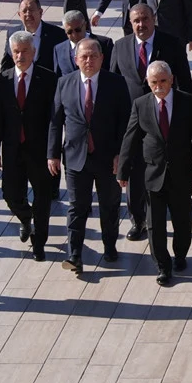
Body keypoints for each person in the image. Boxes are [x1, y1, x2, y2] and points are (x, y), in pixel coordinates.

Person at [48, 38, 132, 277]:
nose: (88, 60)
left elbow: (125, 123)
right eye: (83, 56)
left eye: (93, 56)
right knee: (77, 207)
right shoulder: (64, 83)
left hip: (107, 158)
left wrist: (120, 155)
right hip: (76, 157)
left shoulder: (116, 84)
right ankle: (74, 254)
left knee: (109, 205)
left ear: (101, 58)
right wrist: (52, 154)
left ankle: (109, 245)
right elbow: (55, 122)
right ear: (76, 60)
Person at [118, 61, 192, 286]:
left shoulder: (188, 102)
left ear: (172, 79)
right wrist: (122, 171)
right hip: (152, 174)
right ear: (148, 82)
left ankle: (180, 254)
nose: (159, 86)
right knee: (155, 224)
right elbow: (131, 138)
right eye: (154, 82)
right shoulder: (141, 104)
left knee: (182, 220)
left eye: (163, 81)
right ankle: (163, 266)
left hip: (181, 173)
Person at [0, 32, 59, 261]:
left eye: (24, 51)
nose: (20, 55)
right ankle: (25, 217)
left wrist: (53, 152)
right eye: (16, 51)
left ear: (34, 52)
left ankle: (39, 243)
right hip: (12, 149)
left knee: (42, 198)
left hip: (39, 151)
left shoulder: (49, 79)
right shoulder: (3, 79)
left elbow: (54, 119)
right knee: (10, 194)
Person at [0, 0, 67, 73]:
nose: (28, 14)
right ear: (19, 14)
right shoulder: (12, 33)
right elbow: (6, 65)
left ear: (40, 12)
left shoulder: (57, 34)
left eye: (31, 10)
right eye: (24, 11)